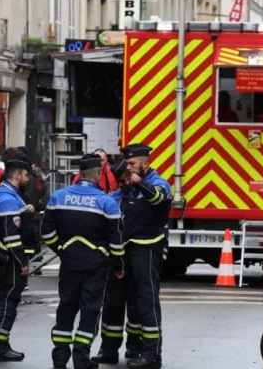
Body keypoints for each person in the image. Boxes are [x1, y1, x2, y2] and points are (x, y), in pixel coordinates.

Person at [40, 154, 124, 369]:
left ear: (80, 174)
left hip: (69, 264)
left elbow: (45, 232)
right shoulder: (106, 202)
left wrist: (60, 248)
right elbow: (116, 240)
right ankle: (81, 357)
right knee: (90, 310)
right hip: (95, 266)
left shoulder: (58, 197)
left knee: (66, 308)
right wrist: (117, 265)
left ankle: (59, 359)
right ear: (97, 174)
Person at [120, 143, 172, 369]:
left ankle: (152, 354)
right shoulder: (130, 186)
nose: (128, 167)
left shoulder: (159, 183)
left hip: (148, 249)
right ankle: (134, 346)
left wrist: (140, 183)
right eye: (127, 163)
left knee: (147, 299)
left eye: (132, 164)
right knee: (132, 300)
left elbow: (158, 198)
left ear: (145, 163)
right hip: (129, 248)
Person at [91, 157, 143, 365]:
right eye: (119, 181)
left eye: (125, 179)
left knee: (137, 305)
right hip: (116, 260)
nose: (123, 184)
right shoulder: (113, 199)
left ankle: (134, 347)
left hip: (137, 257)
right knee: (112, 305)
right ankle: (109, 349)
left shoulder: (144, 195)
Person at [0, 151, 31, 362]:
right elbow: (12, 236)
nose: (28, 179)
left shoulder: (1, 194)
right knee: (7, 303)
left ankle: (1, 343)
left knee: (5, 301)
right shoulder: (8, 199)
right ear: (18, 174)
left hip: (2, 256)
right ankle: (0, 347)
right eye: (26, 175)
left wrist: (25, 211)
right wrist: (22, 263)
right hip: (11, 261)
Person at [15, 146, 47, 276]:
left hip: (30, 210)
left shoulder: (28, 173)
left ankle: (32, 263)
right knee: (34, 238)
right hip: (34, 210)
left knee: (30, 238)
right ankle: (35, 263)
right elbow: (43, 188)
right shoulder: (34, 171)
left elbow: (41, 188)